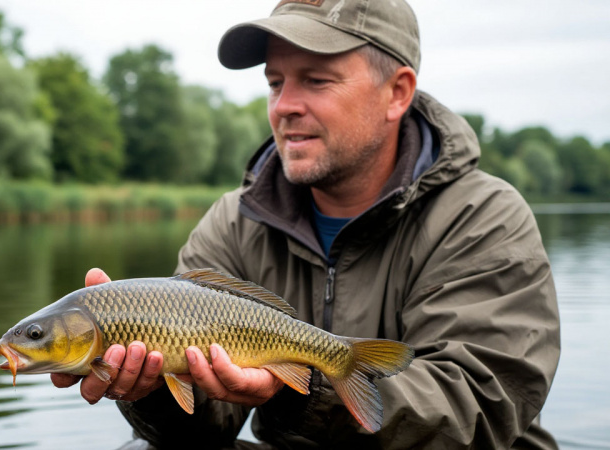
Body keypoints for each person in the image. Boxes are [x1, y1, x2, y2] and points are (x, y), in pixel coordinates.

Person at [52, 1, 561, 448]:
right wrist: (151, 389)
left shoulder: (483, 216)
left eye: (316, 80)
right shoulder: (233, 222)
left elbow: (478, 411)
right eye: (275, 82)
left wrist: (303, 386)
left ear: (397, 93)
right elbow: (204, 431)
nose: (284, 106)